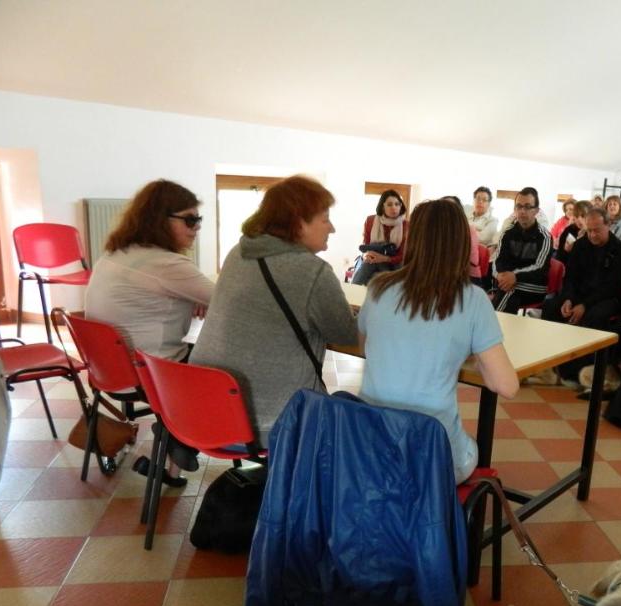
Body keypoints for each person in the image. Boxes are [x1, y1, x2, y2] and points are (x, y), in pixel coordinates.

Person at [359, 198, 518, 483]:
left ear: (414, 239)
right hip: (431, 456)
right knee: (470, 448)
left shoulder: (377, 289)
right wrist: (469, 349)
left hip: (370, 448)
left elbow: (367, 347)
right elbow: (505, 386)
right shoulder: (472, 300)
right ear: (462, 243)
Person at [191, 175, 358, 444]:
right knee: (355, 422)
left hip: (205, 412)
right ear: (299, 223)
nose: (333, 228)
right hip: (271, 425)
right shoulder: (312, 271)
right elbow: (346, 334)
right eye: (325, 219)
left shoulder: (238, 252)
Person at [85, 179, 216, 488]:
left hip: (109, 370)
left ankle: (174, 445)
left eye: (199, 219)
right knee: (227, 366)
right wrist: (201, 299)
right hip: (152, 372)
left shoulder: (115, 254)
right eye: (189, 219)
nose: (196, 227)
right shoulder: (166, 264)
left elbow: (206, 296)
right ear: (160, 220)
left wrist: (194, 298)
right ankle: (178, 435)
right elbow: (228, 300)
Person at [542, 207, 621, 382]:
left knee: (593, 316)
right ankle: (550, 364)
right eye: (589, 230)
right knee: (551, 307)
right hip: (579, 295)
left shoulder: (619, 249)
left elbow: (612, 286)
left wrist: (584, 305)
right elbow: (571, 278)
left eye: (597, 230)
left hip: (609, 297)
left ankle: (579, 372)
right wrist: (568, 299)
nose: (592, 235)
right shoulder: (580, 246)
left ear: (608, 225)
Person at [491, 187, 552, 313]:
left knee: (509, 291)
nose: (522, 211)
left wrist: (515, 276)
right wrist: (502, 277)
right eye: (519, 206)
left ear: (536, 211)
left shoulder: (544, 236)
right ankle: (505, 329)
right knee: (510, 296)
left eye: (528, 207)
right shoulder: (507, 232)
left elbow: (540, 267)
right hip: (509, 283)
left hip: (535, 285)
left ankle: (490, 325)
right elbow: (498, 260)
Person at [351, 189, 408, 286]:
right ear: (382, 207)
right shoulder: (370, 221)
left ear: (401, 206)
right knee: (368, 262)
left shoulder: (406, 225)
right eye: (389, 205)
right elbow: (366, 246)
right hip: (374, 260)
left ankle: (352, 293)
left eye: (397, 204)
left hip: (394, 264)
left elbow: (403, 255)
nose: (394, 208)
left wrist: (384, 258)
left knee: (372, 273)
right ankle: (353, 293)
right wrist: (366, 255)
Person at [555, 199, 589, 264]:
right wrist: (566, 251)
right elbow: (560, 256)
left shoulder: (593, 231)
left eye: (582, 216)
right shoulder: (569, 230)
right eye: (576, 216)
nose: (579, 219)